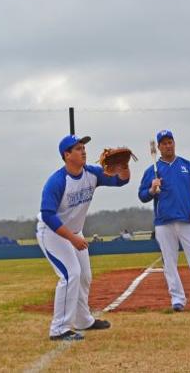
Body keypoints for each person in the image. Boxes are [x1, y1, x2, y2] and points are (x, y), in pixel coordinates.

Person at [37, 134, 130, 341]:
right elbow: (48, 215)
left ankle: (82, 320)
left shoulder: (92, 173)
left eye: (83, 147)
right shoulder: (57, 181)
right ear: (66, 155)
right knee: (71, 274)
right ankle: (59, 328)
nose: (83, 151)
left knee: (85, 276)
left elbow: (120, 181)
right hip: (52, 232)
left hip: (73, 232)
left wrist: (123, 166)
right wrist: (72, 238)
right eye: (78, 148)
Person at [138, 130, 190, 312]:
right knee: (169, 263)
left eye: (170, 142)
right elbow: (142, 196)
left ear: (174, 143)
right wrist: (151, 189)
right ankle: (177, 299)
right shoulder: (152, 171)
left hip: (187, 220)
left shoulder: (188, 166)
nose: (168, 145)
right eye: (164, 143)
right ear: (158, 147)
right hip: (163, 222)